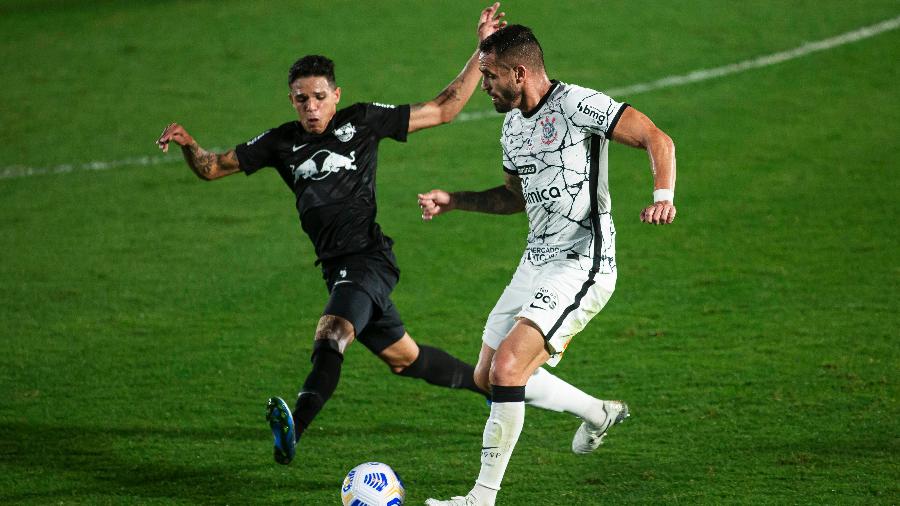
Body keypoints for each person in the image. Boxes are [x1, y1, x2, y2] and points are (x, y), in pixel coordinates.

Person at [155, 3, 510, 466]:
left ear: (336, 95)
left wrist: (481, 48)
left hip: (366, 260)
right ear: (291, 101)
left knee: (332, 332)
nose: (311, 106)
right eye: (301, 99)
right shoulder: (279, 143)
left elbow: (443, 110)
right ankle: (492, 389)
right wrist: (189, 144)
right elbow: (211, 168)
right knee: (405, 358)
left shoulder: (361, 122)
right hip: (337, 269)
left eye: (319, 96)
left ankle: (293, 429)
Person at [418, 24, 677, 506]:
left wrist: (663, 197)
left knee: (509, 368)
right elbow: (514, 198)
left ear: (519, 72)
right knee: (486, 374)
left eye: (490, 76)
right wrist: (455, 200)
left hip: (584, 261)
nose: (486, 87)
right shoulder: (511, 128)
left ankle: (481, 498)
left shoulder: (578, 105)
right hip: (535, 260)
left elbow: (657, 139)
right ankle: (597, 412)